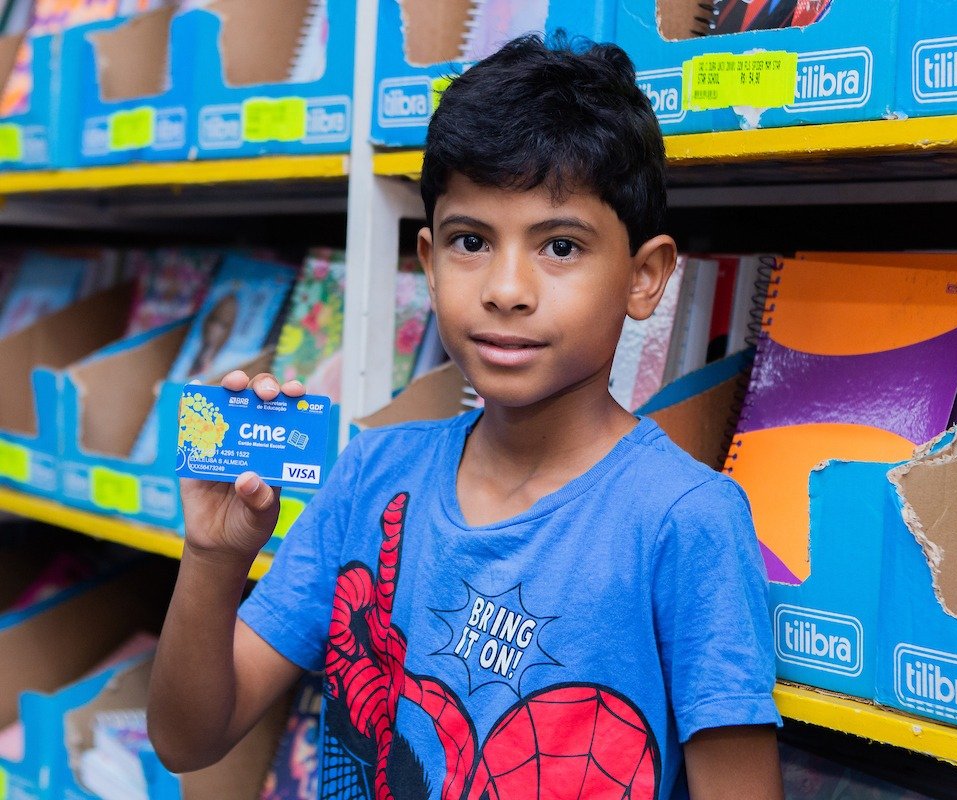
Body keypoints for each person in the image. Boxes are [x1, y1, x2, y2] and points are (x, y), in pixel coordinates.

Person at [148, 33, 783, 799]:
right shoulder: (370, 474)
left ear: (645, 278)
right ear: (427, 259)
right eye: (471, 241)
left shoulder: (687, 521)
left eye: (559, 246)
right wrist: (214, 560)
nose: (505, 288)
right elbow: (188, 740)